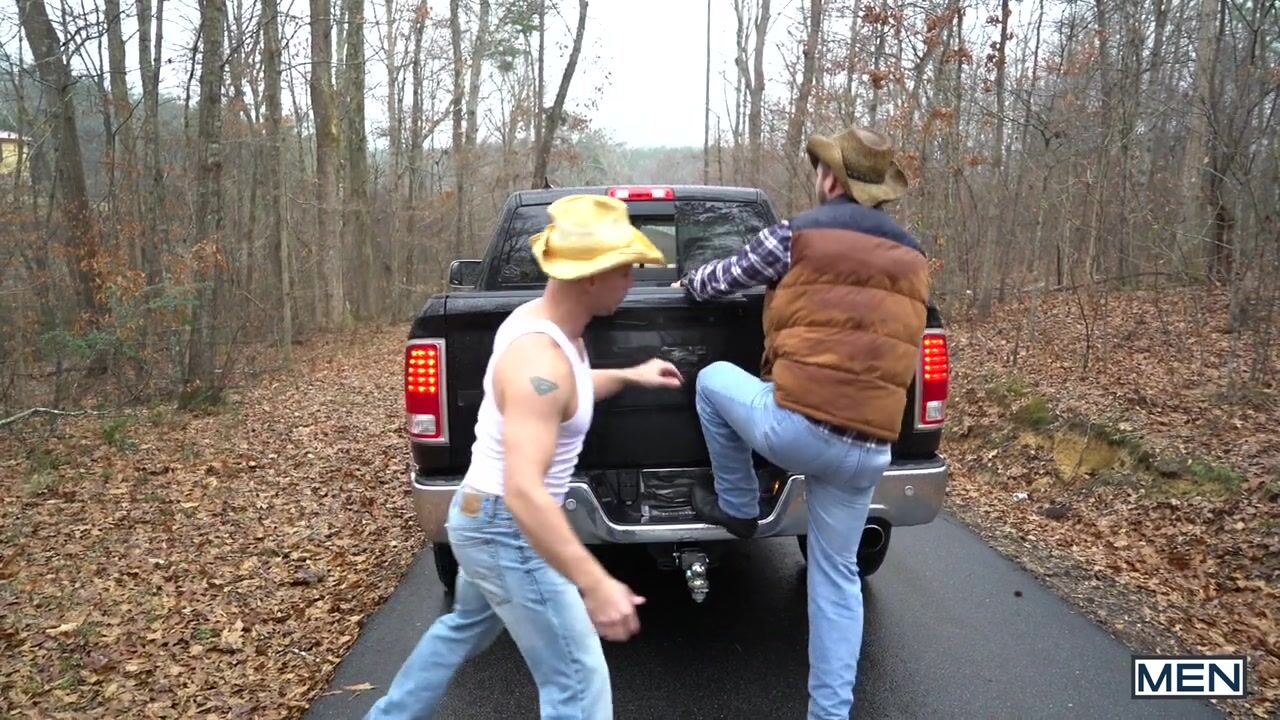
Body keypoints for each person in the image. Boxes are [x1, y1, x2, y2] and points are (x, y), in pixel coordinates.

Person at [366, 194, 685, 720]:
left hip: (481, 513)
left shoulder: (545, 326)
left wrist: (630, 374)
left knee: (463, 628)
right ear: (590, 276)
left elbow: (565, 390)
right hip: (506, 527)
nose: (634, 279)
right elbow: (524, 490)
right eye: (626, 268)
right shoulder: (540, 358)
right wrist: (596, 582)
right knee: (577, 681)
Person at [674, 126, 931, 720]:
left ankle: (739, 505)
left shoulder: (798, 235)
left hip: (799, 429)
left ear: (832, 179)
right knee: (837, 579)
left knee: (712, 379)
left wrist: (686, 282)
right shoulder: (914, 258)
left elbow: (724, 278)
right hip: (869, 447)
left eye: (821, 168)